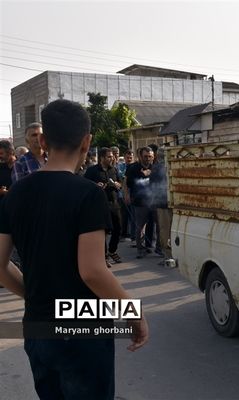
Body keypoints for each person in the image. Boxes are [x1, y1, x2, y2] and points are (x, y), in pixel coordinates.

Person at [0, 99, 148, 399]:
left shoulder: (15, 194)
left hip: (38, 326)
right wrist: (133, 313)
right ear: (87, 141)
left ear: (42, 141)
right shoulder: (87, 194)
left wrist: (35, 294)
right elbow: (92, 271)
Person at [84, 147, 123, 266]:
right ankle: (103, 256)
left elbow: (120, 183)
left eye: (112, 156)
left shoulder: (114, 170)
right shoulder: (92, 171)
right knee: (104, 231)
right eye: (109, 156)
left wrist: (117, 184)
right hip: (100, 205)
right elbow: (84, 185)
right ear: (101, 158)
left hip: (114, 203)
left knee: (118, 228)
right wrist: (95, 186)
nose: (112, 158)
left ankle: (112, 250)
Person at [125, 146, 155, 258]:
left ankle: (148, 246)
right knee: (140, 225)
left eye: (150, 156)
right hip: (139, 201)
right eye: (145, 156)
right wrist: (127, 195)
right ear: (140, 156)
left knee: (151, 224)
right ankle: (139, 247)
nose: (148, 159)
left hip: (153, 200)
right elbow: (128, 183)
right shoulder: (134, 168)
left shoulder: (154, 167)